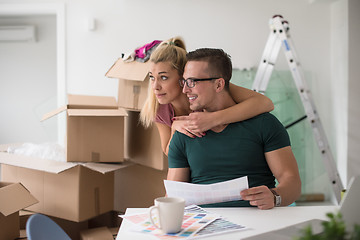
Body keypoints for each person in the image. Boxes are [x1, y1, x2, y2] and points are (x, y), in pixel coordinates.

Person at [167, 48, 301, 210]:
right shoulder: (185, 133)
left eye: (192, 82)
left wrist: (274, 196)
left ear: (218, 84)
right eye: (184, 82)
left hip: (260, 221)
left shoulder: (265, 124)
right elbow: (173, 197)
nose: (185, 90)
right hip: (205, 227)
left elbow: (291, 182)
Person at [140, 37, 274, 155]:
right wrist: (174, 128)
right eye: (152, 77)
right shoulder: (158, 107)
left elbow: (265, 103)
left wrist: (212, 119)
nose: (155, 86)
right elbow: (168, 151)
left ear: (184, 77)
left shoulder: (209, 89)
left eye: (163, 77)